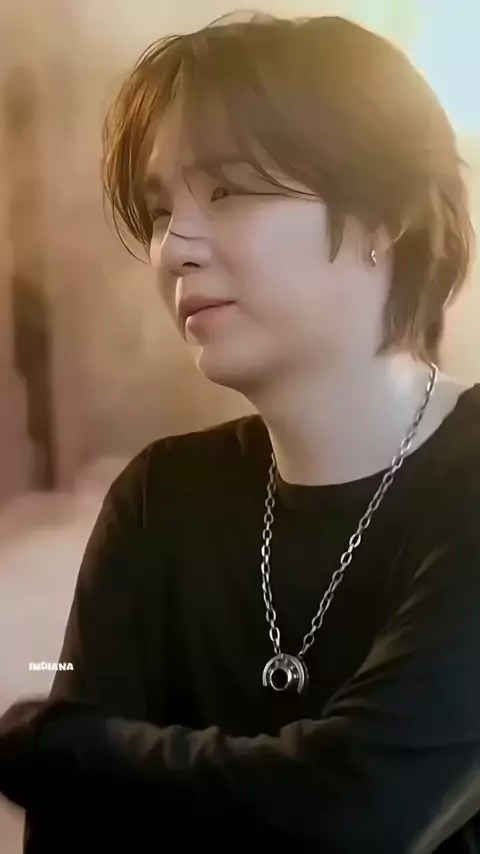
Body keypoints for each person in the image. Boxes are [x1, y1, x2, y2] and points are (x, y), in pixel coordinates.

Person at [0, 10, 479, 853]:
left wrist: (46, 745)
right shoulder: (159, 499)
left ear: (386, 215)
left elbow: (361, 809)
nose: (172, 248)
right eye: (158, 210)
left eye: (226, 190)